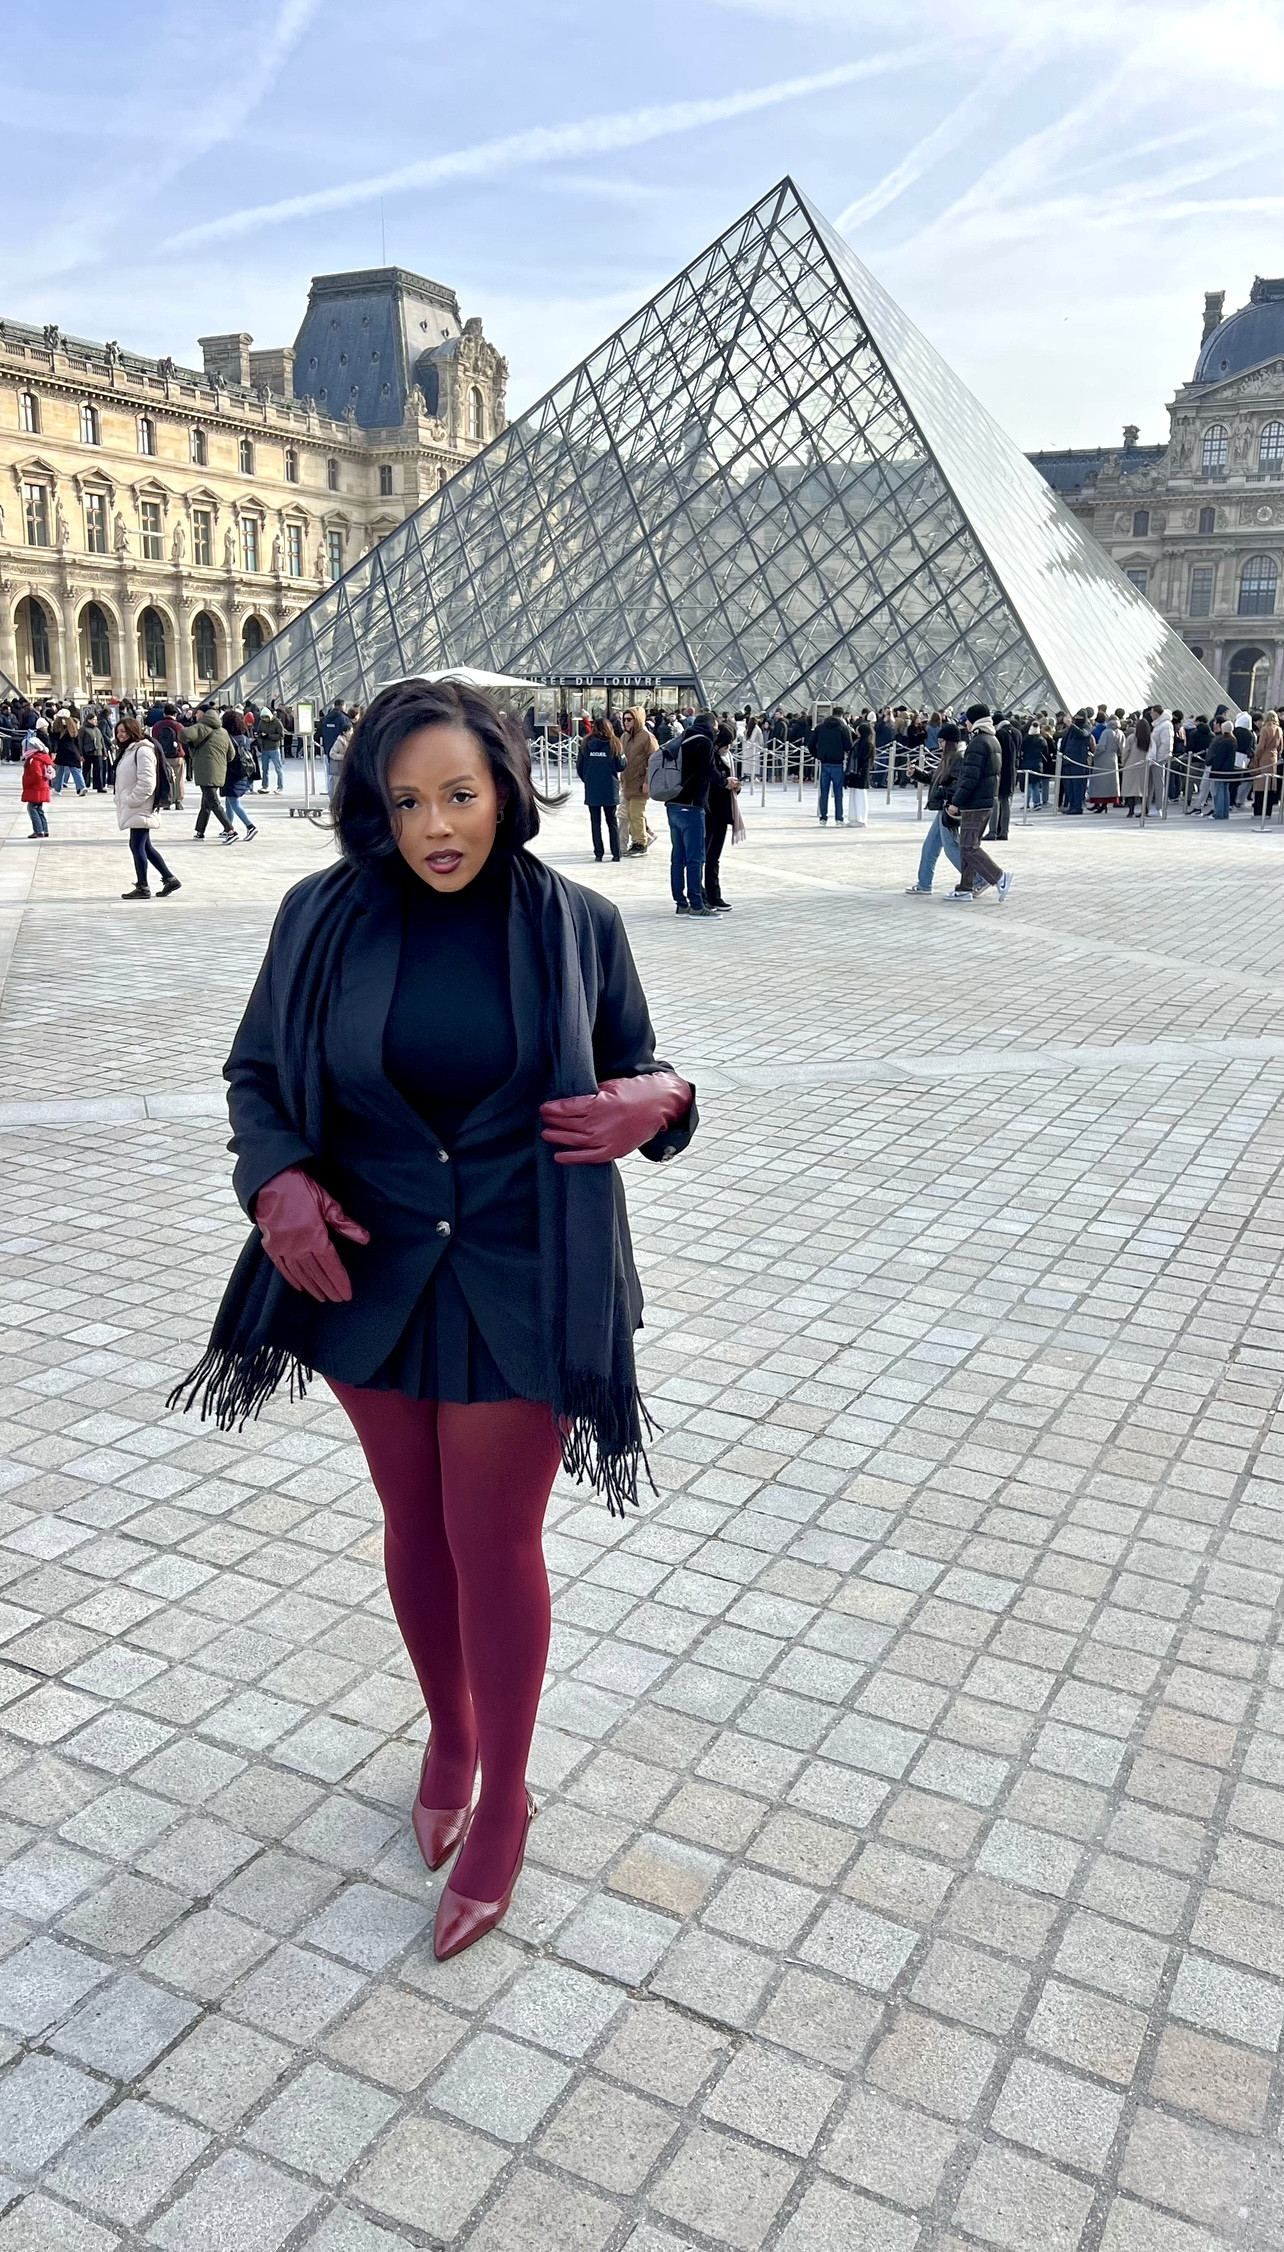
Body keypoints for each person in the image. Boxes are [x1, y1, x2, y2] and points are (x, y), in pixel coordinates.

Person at [170, 677, 696, 1959]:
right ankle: (449, 1734)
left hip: (524, 1263)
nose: (435, 826)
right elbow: (256, 1074)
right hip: (372, 1267)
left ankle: (504, 1794)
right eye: (405, 802)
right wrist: (275, 1183)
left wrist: (662, 1100)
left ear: (505, 789)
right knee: (413, 1523)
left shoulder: (578, 923)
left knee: (492, 1536)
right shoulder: (322, 916)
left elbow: (641, 1061)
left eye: (459, 794)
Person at [944, 705, 1012, 903]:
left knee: (968, 847)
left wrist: (956, 802)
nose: (965, 723)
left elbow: (969, 777)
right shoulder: (992, 739)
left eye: (967, 720)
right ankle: (965, 888)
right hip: (986, 800)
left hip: (975, 803)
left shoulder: (977, 743)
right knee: (969, 846)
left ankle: (999, 876)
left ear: (975, 721)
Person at [114, 717, 181, 900]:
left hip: (141, 805)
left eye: (123, 731)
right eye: (118, 731)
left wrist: (132, 799)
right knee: (145, 846)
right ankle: (169, 879)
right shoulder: (130, 749)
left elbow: (147, 782)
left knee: (137, 845)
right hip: (136, 806)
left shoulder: (143, 750)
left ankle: (143, 886)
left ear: (133, 731)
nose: (120, 735)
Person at [905, 723, 968, 894]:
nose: (939, 745)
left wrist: (943, 792)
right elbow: (935, 778)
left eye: (942, 741)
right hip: (944, 807)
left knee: (951, 848)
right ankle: (924, 884)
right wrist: (916, 773)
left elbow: (958, 785)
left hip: (948, 808)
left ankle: (976, 878)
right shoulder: (950, 756)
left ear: (951, 741)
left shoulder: (958, 757)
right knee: (930, 847)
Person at [665, 713, 716, 915]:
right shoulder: (704, 742)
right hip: (692, 805)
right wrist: (725, 781)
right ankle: (696, 904)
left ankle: (680, 902)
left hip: (673, 803)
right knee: (695, 858)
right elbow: (708, 771)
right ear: (711, 726)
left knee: (678, 858)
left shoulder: (681, 738)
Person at [576, 714, 626, 862]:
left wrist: (588, 779)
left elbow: (579, 766)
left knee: (595, 822)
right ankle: (616, 853)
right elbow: (621, 765)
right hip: (610, 788)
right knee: (612, 821)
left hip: (592, 788)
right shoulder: (614, 743)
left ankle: (598, 853)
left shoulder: (586, 743)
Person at [185, 705, 238, 842]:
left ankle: (230, 830)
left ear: (204, 714)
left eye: (197, 713)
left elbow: (183, 735)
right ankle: (200, 831)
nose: (195, 715)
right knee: (206, 802)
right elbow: (231, 754)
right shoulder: (223, 732)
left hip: (206, 772)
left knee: (213, 802)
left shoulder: (200, 728)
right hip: (219, 771)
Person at [703, 724, 738, 913]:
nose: (728, 748)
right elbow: (710, 781)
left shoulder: (728, 759)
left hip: (722, 813)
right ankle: (702, 895)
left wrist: (735, 786)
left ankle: (714, 895)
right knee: (704, 855)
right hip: (709, 811)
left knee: (714, 856)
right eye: (726, 744)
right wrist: (724, 783)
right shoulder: (709, 757)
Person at [620, 707, 655, 855]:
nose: (626, 722)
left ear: (638, 720)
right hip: (628, 782)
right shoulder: (625, 736)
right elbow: (621, 757)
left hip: (640, 783)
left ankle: (640, 843)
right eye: (624, 720)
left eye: (629, 719)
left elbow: (653, 760)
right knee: (629, 814)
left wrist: (647, 781)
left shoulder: (647, 737)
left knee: (636, 814)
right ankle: (639, 840)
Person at [221, 711, 260, 838]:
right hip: (243, 772)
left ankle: (250, 826)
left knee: (234, 802)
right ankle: (228, 827)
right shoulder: (245, 738)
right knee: (229, 800)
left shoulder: (227, 738)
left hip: (230, 772)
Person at [811, 708, 852, 824]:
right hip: (837, 763)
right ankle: (839, 818)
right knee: (838, 792)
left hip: (824, 763)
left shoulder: (820, 727)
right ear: (842, 715)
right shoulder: (843, 728)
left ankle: (823, 817)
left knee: (824, 792)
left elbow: (810, 744)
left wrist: (817, 755)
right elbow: (848, 746)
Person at [152, 706, 186, 811]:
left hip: (162, 757)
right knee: (179, 779)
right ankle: (178, 801)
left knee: (165, 779)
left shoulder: (157, 726)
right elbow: (184, 740)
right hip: (177, 756)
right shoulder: (179, 726)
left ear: (164, 714)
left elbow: (154, 740)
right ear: (175, 714)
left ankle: (166, 800)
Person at [21, 728, 53, 837]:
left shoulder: (33, 760)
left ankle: (38, 830)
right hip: (41, 787)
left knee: (32, 808)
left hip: (35, 788)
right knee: (38, 809)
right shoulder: (41, 757)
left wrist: (26, 781)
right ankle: (44, 829)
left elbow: (36, 775)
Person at [1059, 711, 1093, 813]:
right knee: (1069, 785)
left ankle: (1077, 806)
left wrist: (1071, 725)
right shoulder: (1070, 729)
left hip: (1078, 760)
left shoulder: (1086, 727)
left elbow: (1083, 734)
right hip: (1067, 760)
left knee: (1078, 785)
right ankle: (1072, 805)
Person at [1087, 714, 1123, 810]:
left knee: (1099, 783)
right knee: (1110, 784)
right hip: (1114, 758)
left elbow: (1101, 747)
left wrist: (1094, 754)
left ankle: (1098, 803)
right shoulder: (1120, 733)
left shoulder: (1106, 732)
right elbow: (1122, 748)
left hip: (1103, 759)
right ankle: (1104, 805)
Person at [1251, 709, 1282, 820]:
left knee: (1260, 785)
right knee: (1271, 786)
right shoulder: (1279, 729)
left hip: (1264, 758)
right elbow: (1281, 747)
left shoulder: (1265, 729)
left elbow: (1261, 746)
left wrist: (1256, 757)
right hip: (1273, 758)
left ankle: (1258, 812)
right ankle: (1268, 811)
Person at [845, 717, 873, 825]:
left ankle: (860, 818)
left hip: (860, 772)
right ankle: (854, 817)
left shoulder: (865, 744)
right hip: (856, 772)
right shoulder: (859, 743)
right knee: (854, 795)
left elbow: (863, 759)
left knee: (860, 795)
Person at [52, 713, 86, 795]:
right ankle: (81, 787)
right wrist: (80, 753)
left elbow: (54, 741)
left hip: (61, 751)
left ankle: (57, 789)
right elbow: (78, 742)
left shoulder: (57, 728)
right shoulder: (73, 727)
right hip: (73, 751)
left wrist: (53, 751)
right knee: (76, 770)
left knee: (60, 771)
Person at [1147, 707, 1174, 814]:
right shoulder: (1160, 724)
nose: (1150, 715)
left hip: (1158, 759)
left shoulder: (1165, 725)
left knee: (1158, 783)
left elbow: (1166, 744)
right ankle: (1147, 807)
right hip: (1153, 758)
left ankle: (1159, 808)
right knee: (1150, 783)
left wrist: (1159, 758)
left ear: (1157, 713)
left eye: (1152, 713)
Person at [257, 705, 286, 793]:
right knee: (264, 769)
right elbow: (258, 732)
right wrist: (260, 736)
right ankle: (264, 786)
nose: (265, 719)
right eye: (263, 718)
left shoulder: (277, 722)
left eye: (266, 717)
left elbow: (281, 735)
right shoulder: (261, 722)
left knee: (278, 768)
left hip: (274, 748)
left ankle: (280, 787)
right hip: (264, 748)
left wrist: (269, 736)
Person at [80, 706, 109, 793]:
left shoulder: (97, 729)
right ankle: (84, 784)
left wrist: (104, 753)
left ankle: (99, 786)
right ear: (89, 720)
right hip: (88, 752)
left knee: (98, 769)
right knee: (86, 769)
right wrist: (81, 754)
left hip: (98, 752)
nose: (95, 721)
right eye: (93, 720)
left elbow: (101, 741)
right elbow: (80, 742)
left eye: (96, 720)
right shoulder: (83, 729)